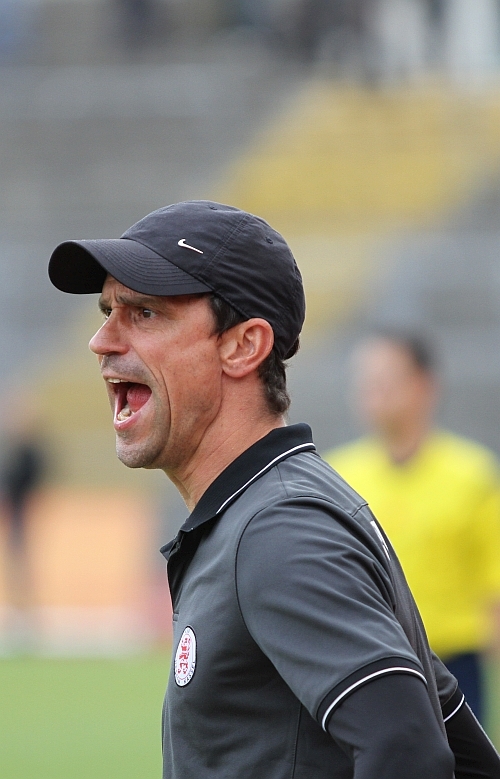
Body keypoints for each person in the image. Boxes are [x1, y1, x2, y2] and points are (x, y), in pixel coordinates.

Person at [48, 201, 500, 778]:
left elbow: (409, 751)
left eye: (144, 313)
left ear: (243, 346)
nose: (101, 340)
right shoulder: (274, 509)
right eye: (107, 311)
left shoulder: (279, 528)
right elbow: (469, 759)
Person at [325, 330, 500, 724]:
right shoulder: (337, 477)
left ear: (425, 385)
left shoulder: (473, 476)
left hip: (456, 664)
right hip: (369, 661)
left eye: (386, 379)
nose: (373, 391)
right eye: (365, 380)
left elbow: (494, 582)